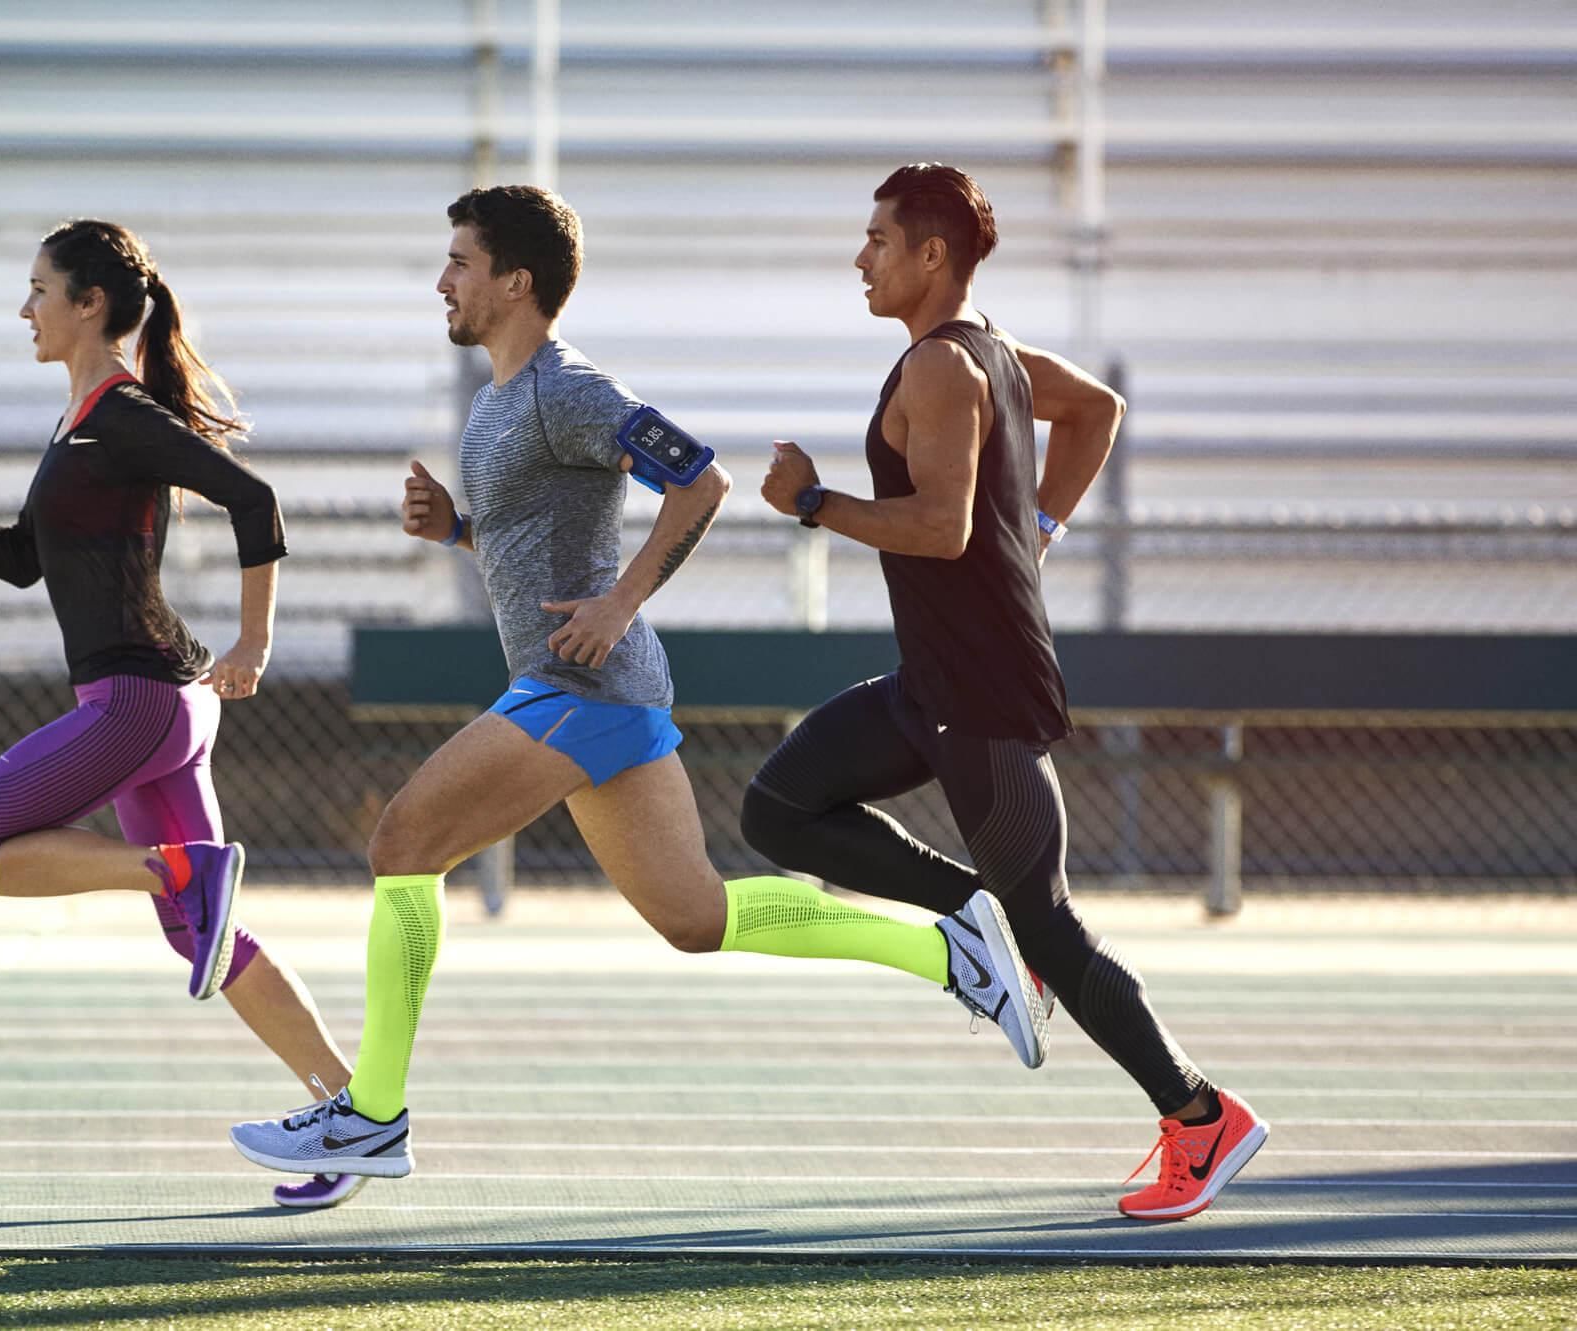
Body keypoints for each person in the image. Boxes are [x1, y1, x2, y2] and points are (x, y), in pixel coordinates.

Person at [227, 185, 1050, 1183]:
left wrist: (616, 602)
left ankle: (373, 1113)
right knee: (696, 917)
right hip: (599, 689)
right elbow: (534, 543)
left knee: (401, 841)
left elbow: (698, 480)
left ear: (514, 281)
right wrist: (455, 527)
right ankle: (951, 952)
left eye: (459, 262)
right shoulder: (498, 400)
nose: (442, 281)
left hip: (580, 683)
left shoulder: (567, 389)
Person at [749, 162, 1268, 1221]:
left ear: (930, 254)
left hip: (977, 693)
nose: (861, 257)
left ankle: (1199, 1113)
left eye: (878, 239)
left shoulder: (945, 367)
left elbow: (938, 529)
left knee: (1053, 932)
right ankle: (965, 912)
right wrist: (1039, 530)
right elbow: (1096, 411)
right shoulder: (991, 354)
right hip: (929, 683)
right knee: (777, 807)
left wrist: (813, 502)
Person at [0, 218, 364, 1210]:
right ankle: (349, 1113)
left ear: (89, 304)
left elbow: (254, 502)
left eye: (39, 290)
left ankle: (174, 867)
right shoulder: (79, 421)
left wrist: (254, 643)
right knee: (201, 936)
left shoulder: (120, 415)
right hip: (160, 709)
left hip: (141, 704)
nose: (25, 309)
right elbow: (15, 561)